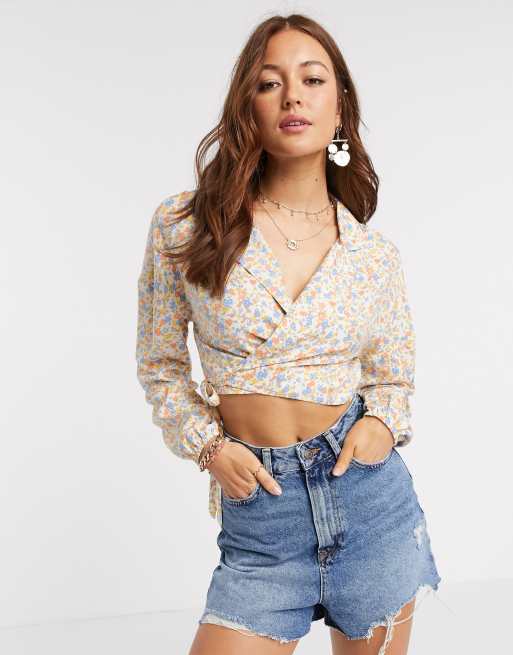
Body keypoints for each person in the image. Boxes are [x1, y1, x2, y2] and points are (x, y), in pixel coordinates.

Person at [136, 13, 442, 655]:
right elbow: (161, 365)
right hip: (263, 524)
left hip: (370, 506)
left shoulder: (372, 255)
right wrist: (208, 447)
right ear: (247, 105)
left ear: (340, 107)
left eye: (312, 79)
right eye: (269, 82)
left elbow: (392, 377)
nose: (293, 96)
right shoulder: (186, 226)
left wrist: (379, 426)